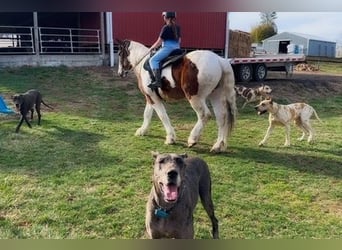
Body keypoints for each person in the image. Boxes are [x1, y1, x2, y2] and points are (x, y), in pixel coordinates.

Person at [148, 11, 181, 89]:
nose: (163, 18)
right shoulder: (178, 27)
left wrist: (152, 48)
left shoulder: (165, 27)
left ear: (167, 18)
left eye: (164, 16)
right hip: (177, 48)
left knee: (153, 60)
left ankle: (158, 81)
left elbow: (159, 41)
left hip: (167, 48)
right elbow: (179, 41)